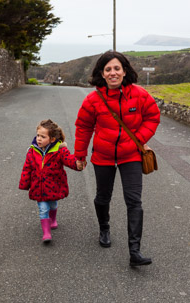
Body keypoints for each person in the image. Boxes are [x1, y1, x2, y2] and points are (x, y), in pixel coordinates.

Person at [74, 51, 160, 266]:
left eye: (116, 68)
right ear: (102, 74)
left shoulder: (139, 95)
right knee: (103, 197)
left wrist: (137, 139)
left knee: (134, 201)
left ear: (124, 71)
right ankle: (104, 228)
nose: (113, 73)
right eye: (108, 69)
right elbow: (83, 127)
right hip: (102, 156)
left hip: (131, 155)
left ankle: (135, 251)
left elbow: (152, 117)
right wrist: (80, 155)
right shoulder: (93, 99)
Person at [19, 119, 83, 243]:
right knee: (43, 209)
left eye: (43, 136)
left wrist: (77, 163)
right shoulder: (32, 151)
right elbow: (27, 168)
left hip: (54, 186)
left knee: (53, 204)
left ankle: (53, 220)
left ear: (52, 139)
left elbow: (69, 159)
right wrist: (25, 183)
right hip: (39, 187)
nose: (39, 139)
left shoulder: (59, 150)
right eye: (38, 135)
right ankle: (46, 233)